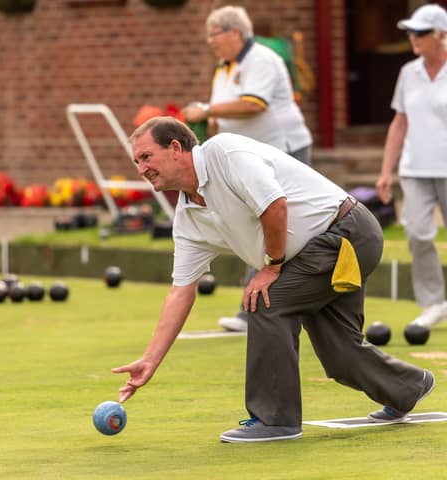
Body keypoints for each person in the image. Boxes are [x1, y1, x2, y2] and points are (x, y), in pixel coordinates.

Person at [112, 116, 435, 443]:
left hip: (347, 234)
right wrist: (149, 360)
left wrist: (271, 266)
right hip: (316, 252)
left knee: (266, 301)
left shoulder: (224, 153)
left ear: (176, 148)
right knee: (340, 354)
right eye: (137, 161)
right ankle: (408, 387)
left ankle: (275, 419)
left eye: (146, 157)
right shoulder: (187, 219)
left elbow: (274, 205)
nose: (141, 169)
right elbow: (181, 291)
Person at [183, 6, 313, 333]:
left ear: (234, 33)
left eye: (214, 34)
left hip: (284, 150)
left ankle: (284, 305)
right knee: (251, 224)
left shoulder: (262, 60)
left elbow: (254, 104)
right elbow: (222, 116)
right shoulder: (223, 68)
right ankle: (253, 308)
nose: (210, 41)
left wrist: (207, 108)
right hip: (250, 157)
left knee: (287, 226)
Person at [376, 3, 447, 329]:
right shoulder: (408, 73)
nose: (413, 37)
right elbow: (399, 123)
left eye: (420, 32)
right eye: (411, 32)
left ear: (441, 35)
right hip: (415, 169)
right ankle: (433, 303)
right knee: (418, 234)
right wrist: (386, 171)